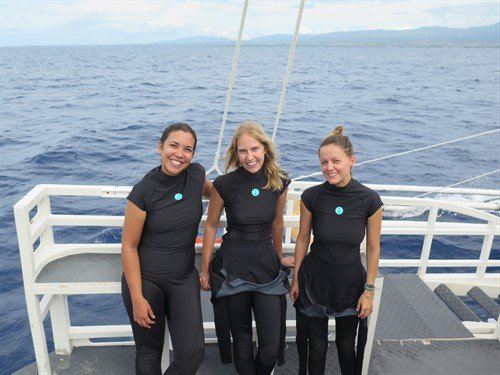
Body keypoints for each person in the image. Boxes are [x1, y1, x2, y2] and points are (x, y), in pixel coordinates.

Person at [199, 120, 293, 375]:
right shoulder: (224, 184)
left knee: (270, 348)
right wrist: (205, 270)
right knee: (241, 342)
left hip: (266, 267)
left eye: (254, 149)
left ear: (264, 148)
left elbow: (277, 223)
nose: (249, 157)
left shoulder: (279, 182)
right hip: (233, 268)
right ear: (235, 153)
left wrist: (278, 257)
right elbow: (210, 226)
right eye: (243, 151)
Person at [290, 125, 383, 375]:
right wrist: (296, 277)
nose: (329, 167)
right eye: (323, 162)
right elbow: (302, 239)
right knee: (317, 347)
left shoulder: (369, 200)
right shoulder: (312, 196)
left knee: (345, 347)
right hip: (314, 280)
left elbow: (373, 248)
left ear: (351, 161)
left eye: (335, 161)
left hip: (349, 282)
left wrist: (369, 291)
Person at [121, 123, 212, 375]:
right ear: (160, 147)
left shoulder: (195, 175)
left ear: (193, 155)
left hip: (183, 279)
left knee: (193, 354)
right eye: (173, 145)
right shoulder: (143, 192)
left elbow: (217, 191)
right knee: (149, 354)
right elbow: (128, 247)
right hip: (147, 281)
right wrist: (137, 298)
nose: (179, 154)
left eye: (188, 149)